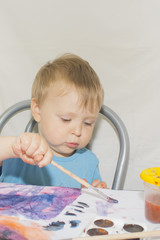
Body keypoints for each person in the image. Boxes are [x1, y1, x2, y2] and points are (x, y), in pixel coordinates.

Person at [0, 53, 107, 189]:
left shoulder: (89, 162)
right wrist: (12, 146)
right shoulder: (22, 150)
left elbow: (92, 205)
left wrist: (94, 195)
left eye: (88, 123)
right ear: (38, 111)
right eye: (66, 119)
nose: (78, 131)